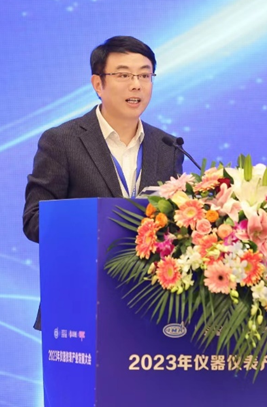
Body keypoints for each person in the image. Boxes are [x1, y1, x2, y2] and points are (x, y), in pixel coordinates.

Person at [23, 36, 184, 330]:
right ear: (98, 84)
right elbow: (34, 221)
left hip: (151, 304)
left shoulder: (167, 146)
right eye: (123, 75)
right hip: (80, 301)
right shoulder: (62, 141)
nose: (136, 85)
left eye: (145, 75)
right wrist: (101, 224)